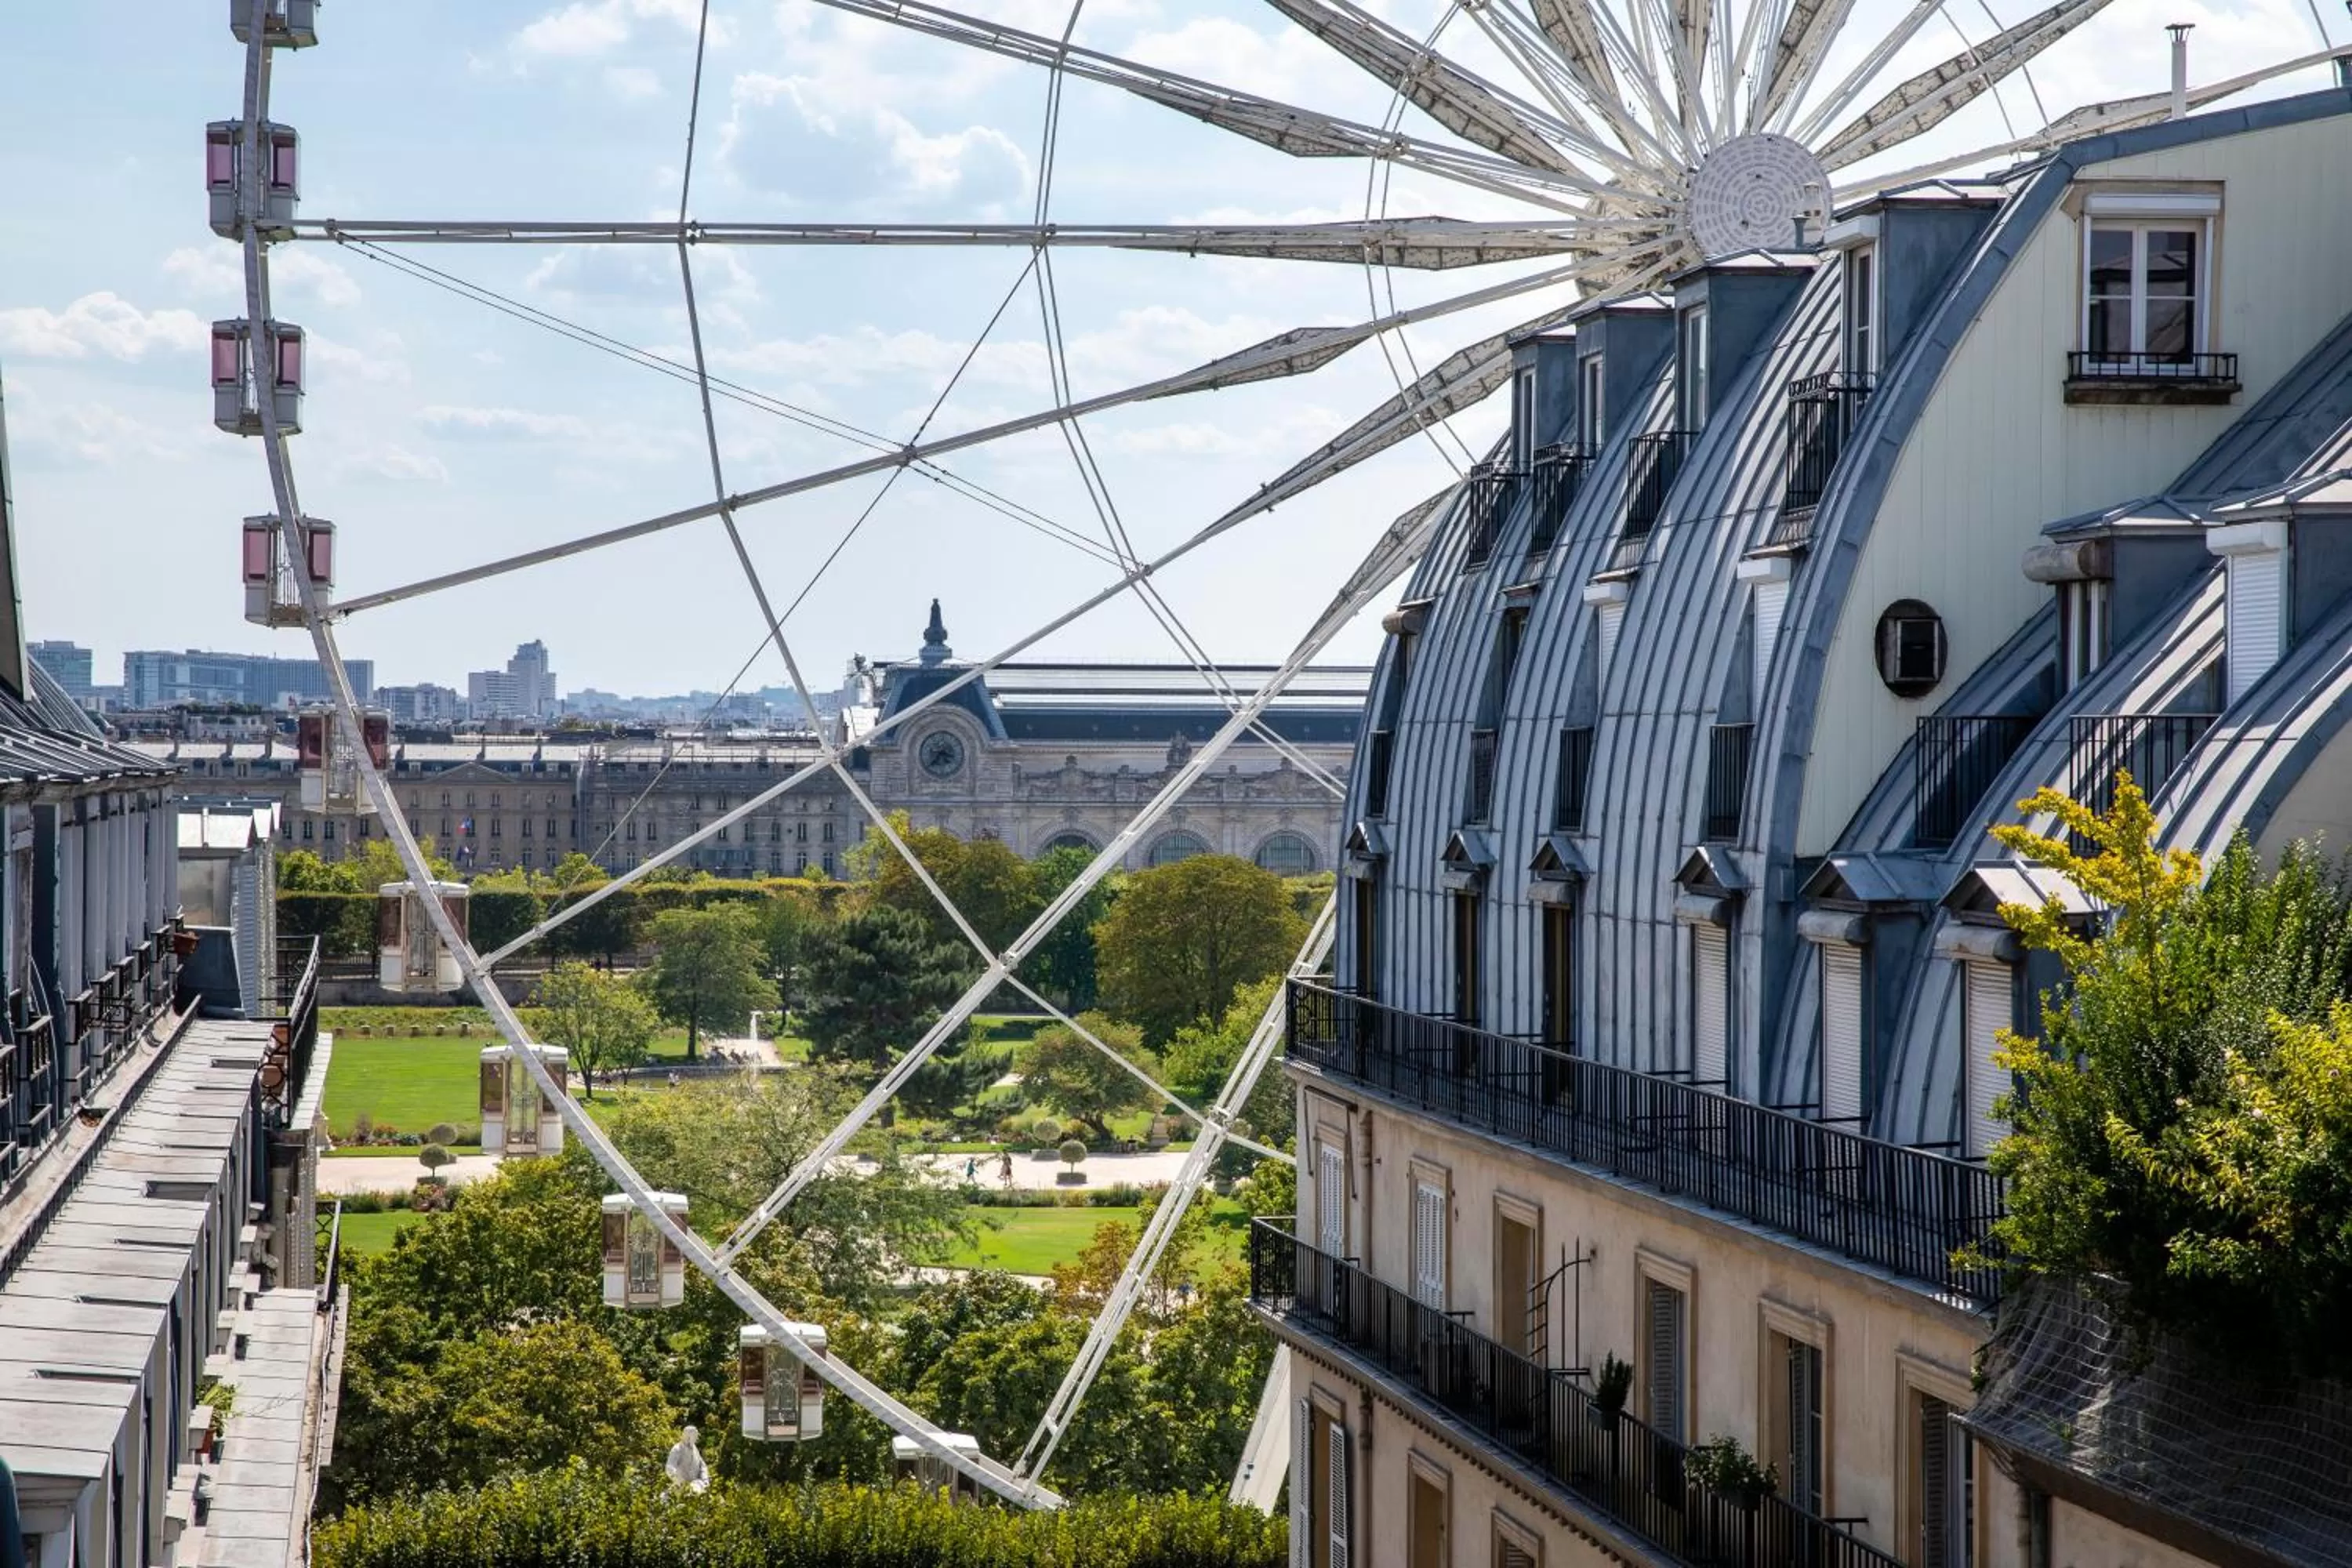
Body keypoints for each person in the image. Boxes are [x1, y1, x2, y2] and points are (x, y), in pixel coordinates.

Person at [663, 1425, 710, 1493]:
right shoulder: (677, 1449)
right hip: (681, 1486)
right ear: (688, 1436)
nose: (697, 1438)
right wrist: (680, 1481)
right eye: (695, 1436)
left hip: (696, 1484)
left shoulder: (695, 1449)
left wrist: (705, 1479)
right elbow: (669, 1468)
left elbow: (702, 1466)